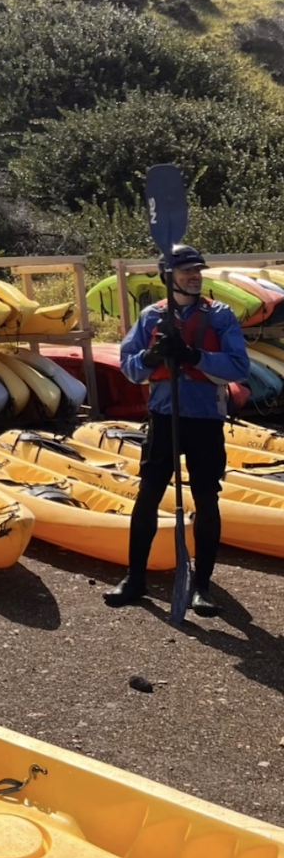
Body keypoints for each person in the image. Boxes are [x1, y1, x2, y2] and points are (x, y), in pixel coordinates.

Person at [106, 245, 249, 616]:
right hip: (164, 417)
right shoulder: (150, 317)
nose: (194, 276)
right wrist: (152, 356)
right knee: (149, 494)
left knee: (206, 497)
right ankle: (135, 578)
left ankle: (202, 587)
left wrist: (192, 355)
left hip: (204, 420)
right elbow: (130, 367)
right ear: (167, 277)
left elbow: (238, 367)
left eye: (197, 270)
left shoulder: (220, 316)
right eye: (186, 271)